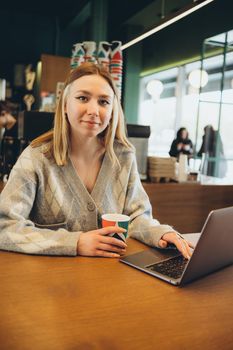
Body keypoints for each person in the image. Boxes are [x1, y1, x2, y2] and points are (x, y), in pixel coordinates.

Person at [0, 63, 193, 259]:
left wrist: (162, 233)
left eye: (103, 102)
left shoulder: (123, 156)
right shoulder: (35, 158)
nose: (94, 110)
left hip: (110, 278)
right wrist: (75, 242)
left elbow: (136, 217)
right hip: (52, 282)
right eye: (83, 98)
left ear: (112, 111)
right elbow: (4, 227)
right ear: (65, 105)